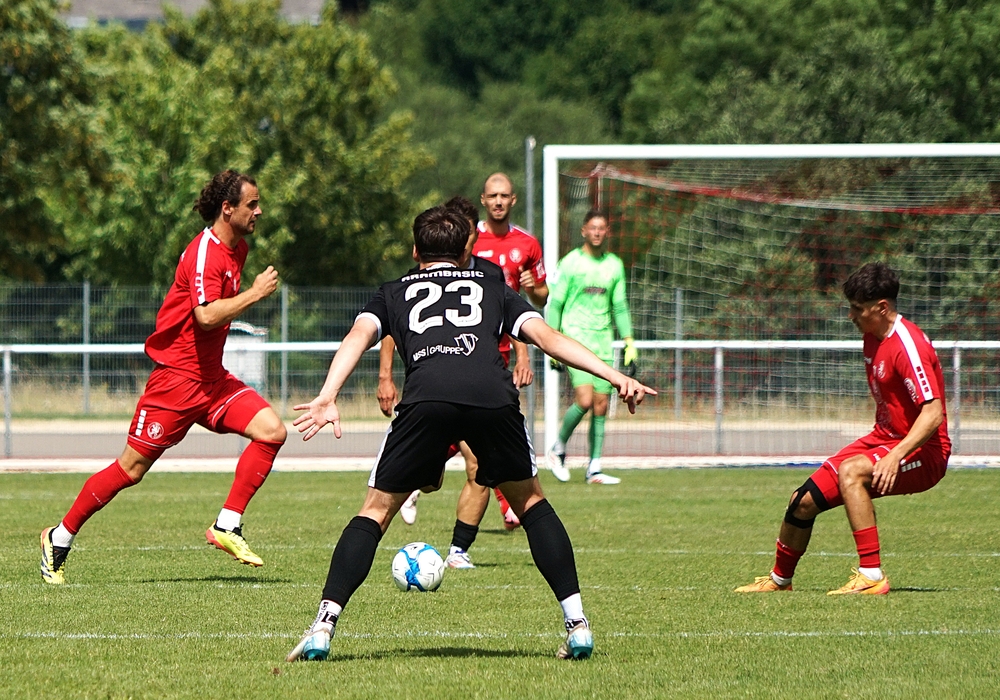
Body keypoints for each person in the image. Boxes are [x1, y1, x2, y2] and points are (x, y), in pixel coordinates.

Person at [286, 205, 655, 662]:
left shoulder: (393, 291)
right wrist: (614, 375)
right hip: (491, 398)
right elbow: (548, 338)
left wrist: (327, 395)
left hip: (427, 398)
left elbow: (357, 337)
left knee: (376, 512)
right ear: (466, 251)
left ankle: (323, 628)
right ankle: (577, 625)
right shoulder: (493, 285)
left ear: (415, 251)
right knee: (532, 503)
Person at [40, 170, 287, 584]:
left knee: (272, 431)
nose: (259, 211)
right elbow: (205, 316)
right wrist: (256, 294)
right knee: (131, 470)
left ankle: (227, 524)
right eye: (252, 204)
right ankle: (59, 537)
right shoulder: (205, 252)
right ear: (228, 209)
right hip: (176, 382)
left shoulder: (238, 249)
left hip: (212, 380)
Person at [735, 262, 950, 595]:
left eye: (857, 308)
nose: (851, 315)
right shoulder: (872, 336)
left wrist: (894, 456)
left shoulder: (909, 346)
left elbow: (933, 414)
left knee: (851, 472)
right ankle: (779, 581)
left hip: (925, 451)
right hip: (884, 439)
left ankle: (871, 577)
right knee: (802, 501)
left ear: (882, 308)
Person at [392, 174, 548, 538]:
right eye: (492, 195)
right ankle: (424, 484)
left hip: (496, 362)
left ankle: (469, 531)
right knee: (477, 449)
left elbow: (525, 307)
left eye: (504, 195)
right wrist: (387, 374)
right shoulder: (441, 252)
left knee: (480, 452)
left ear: (513, 199)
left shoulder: (522, 248)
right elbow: (386, 321)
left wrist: (523, 353)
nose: (498, 201)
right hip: (448, 363)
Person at [545, 209, 637, 485]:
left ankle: (594, 467)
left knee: (600, 404)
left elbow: (619, 306)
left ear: (607, 232)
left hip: (602, 342)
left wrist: (629, 340)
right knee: (584, 400)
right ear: (583, 230)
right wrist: (551, 340)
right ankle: (557, 448)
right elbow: (556, 303)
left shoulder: (614, 265)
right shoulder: (570, 263)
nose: (597, 232)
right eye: (592, 227)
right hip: (575, 339)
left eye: (601, 228)